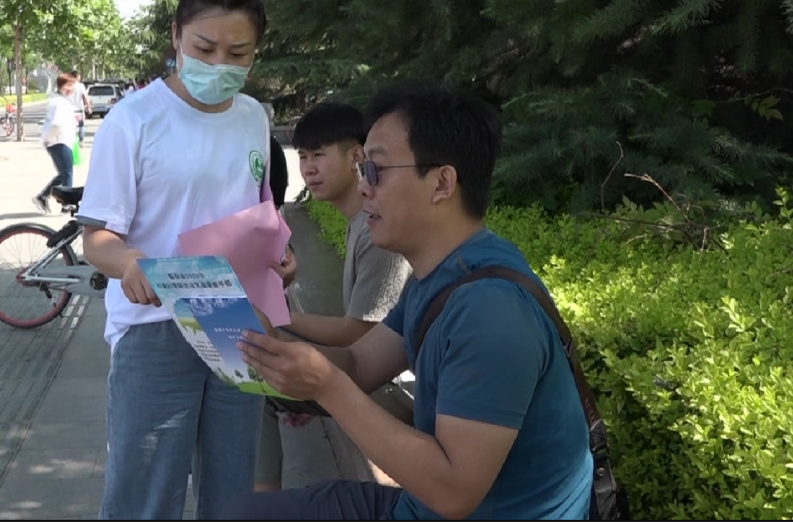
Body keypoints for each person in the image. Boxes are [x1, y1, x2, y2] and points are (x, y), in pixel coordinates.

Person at [225, 81, 594, 520]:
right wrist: (271, 342)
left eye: (375, 170)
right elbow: (360, 362)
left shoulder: (491, 311)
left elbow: (454, 494)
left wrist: (326, 385)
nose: (363, 188)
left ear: (441, 183)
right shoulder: (439, 275)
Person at [77, 0, 298, 520]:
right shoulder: (133, 119)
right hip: (155, 324)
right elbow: (96, 237)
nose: (220, 64)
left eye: (238, 53)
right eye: (204, 48)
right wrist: (130, 264)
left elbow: (258, 211)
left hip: (235, 320)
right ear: (176, 36)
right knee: (146, 497)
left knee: (233, 493)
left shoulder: (253, 117)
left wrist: (281, 252)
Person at [255, 101, 412, 493]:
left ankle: (262, 502)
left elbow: (361, 334)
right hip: (374, 373)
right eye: (302, 156)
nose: (308, 168)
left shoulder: (378, 232)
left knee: (257, 385)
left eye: (319, 155)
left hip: (392, 389)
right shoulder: (360, 223)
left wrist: (281, 321)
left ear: (356, 157)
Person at [32, 73, 78, 215]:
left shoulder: (59, 100)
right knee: (67, 174)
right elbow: (56, 124)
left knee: (63, 175)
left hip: (57, 141)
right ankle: (66, 204)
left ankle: (43, 197)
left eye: (72, 85)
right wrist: (50, 138)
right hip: (59, 142)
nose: (72, 89)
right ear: (62, 86)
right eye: (69, 85)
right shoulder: (60, 103)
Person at [68, 70, 90, 143]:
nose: (80, 78)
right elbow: (85, 97)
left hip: (70, 111)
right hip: (79, 111)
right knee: (81, 125)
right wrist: (88, 107)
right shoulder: (81, 86)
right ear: (76, 77)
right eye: (79, 76)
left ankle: (71, 140)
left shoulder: (68, 85)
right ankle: (81, 141)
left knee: (71, 126)